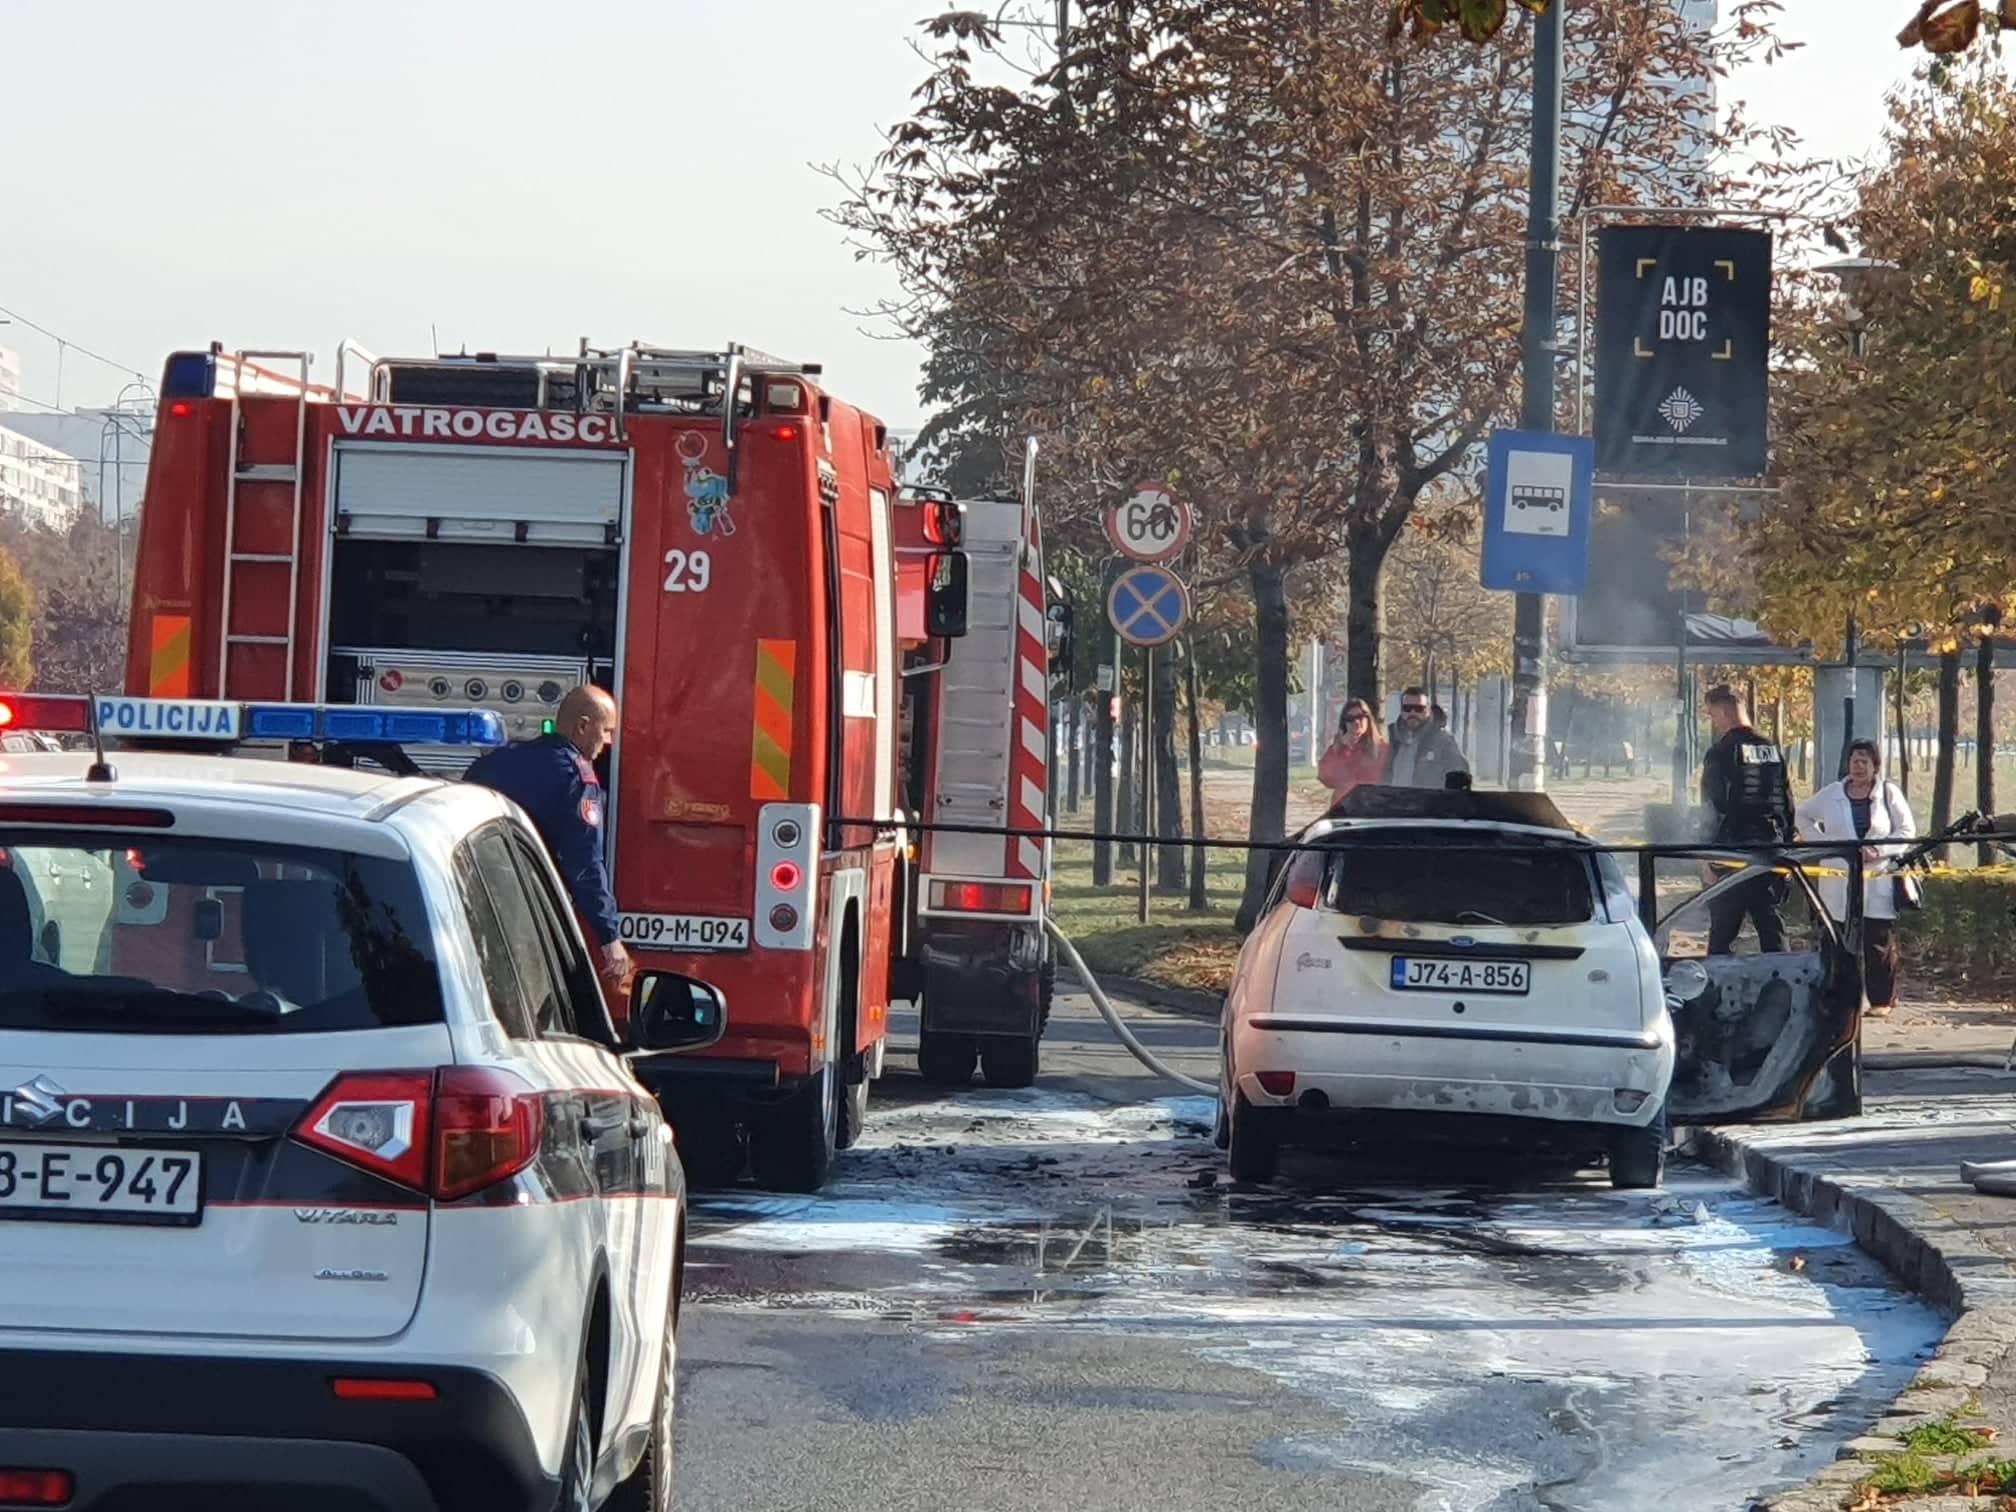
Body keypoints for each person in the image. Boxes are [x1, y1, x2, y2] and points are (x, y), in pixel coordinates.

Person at [465, 685, 633, 987]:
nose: (608, 742)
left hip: (473, 905)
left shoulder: (496, 762)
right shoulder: (577, 779)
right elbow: (585, 863)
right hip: (527, 914)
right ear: (583, 726)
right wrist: (609, 937)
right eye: (606, 731)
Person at [1795, 738, 1917, 1017]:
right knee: (1837, 939)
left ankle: (1881, 1001)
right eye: (1854, 760)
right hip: (1838, 878)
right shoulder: (1831, 793)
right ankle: (1840, 995)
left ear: (1875, 766)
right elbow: (1802, 817)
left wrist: (1880, 849)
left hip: (1877, 876)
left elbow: (1907, 830)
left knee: (1878, 941)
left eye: (1865, 760)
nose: (1859, 766)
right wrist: (1825, 846)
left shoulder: (1889, 793)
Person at [1699, 684, 1795, 955]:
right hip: (1771, 852)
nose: (1713, 722)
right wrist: (1786, 848)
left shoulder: (1720, 752)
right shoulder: (1772, 750)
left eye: (1712, 714)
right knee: (1772, 929)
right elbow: (1787, 805)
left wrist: (1705, 855)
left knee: (1722, 935)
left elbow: (1713, 808)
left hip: (1732, 853)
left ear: (1721, 710)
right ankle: (1784, 990)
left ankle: (1718, 993)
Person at [1384, 686, 1469, 790]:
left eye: (1419, 709)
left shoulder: (1443, 741)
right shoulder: (1389, 737)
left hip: (1427, 803)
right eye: (1407, 708)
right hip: (1391, 802)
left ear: (1428, 710)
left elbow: (1460, 772)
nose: (1412, 713)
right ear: (1401, 710)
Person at [1318, 698, 1385, 807]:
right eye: (1350, 719)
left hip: (1372, 810)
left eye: (1360, 717)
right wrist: (1338, 749)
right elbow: (1325, 778)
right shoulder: (1339, 749)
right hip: (1343, 811)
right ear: (1344, 723)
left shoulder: (1382, 749)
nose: (1356, 722)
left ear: (1368, 719)